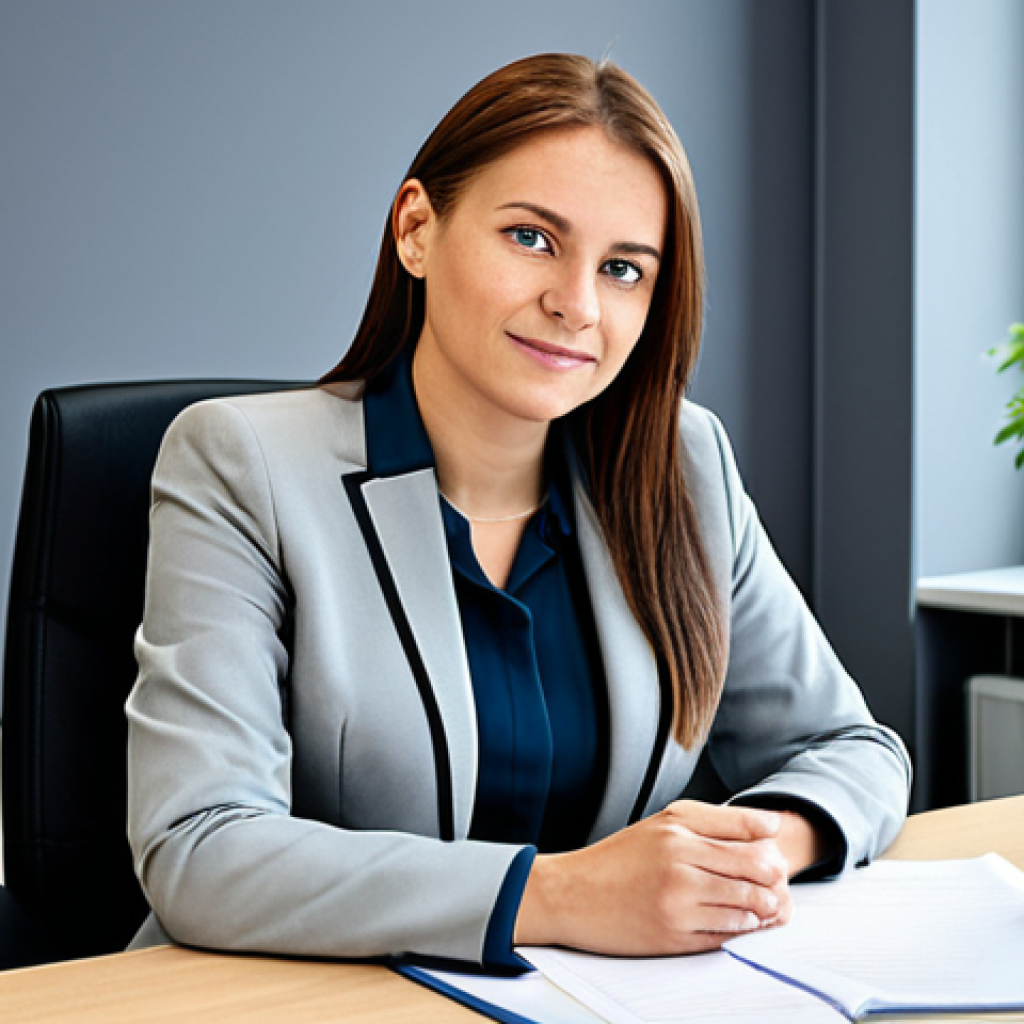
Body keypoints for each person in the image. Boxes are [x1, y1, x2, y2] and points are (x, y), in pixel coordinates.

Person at [126, 53, 911, 968]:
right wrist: (564, 894)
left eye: (624, 269)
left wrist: (742, 860)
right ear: (418, 229)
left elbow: (852, 749)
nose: (574, 304)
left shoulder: (683, 466)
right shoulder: (241, 463)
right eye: (533, 238)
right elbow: (201, 846)